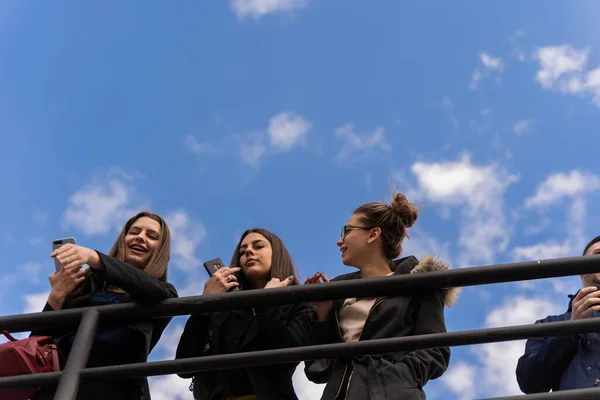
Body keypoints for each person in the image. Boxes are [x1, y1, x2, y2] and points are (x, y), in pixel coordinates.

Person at [304, 191, 458, 400]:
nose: (340, 241)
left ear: (373, 234)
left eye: (347, 231)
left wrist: (395, 377)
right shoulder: (338, 292)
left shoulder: (419, 284)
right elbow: (316, 370)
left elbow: (436, 352)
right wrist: (323, 313)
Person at [32, 211, 178, 400]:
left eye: (151, 236)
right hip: (56, 390)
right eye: (134, 232)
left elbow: (154, 291)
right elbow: (36, 345)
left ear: (160, 250)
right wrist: (56, 298)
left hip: (113, 392)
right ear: (123, 239)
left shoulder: (163, 292)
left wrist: (94, 258)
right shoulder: (83, 287)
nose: (140, 237)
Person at [176, 228, 314, 400]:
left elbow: (285, 360)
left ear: (277, 254)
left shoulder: (300, 304)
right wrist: (204, 305)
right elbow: (184, 364)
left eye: (258, 246)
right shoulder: (223, 307)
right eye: (243, 251)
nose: (249, 251)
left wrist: (266, 302)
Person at [516, 235, 600, 393]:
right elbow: (530, 383)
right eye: (598, 255)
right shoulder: (548, 325)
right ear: (582, 271)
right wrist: (570, 331)